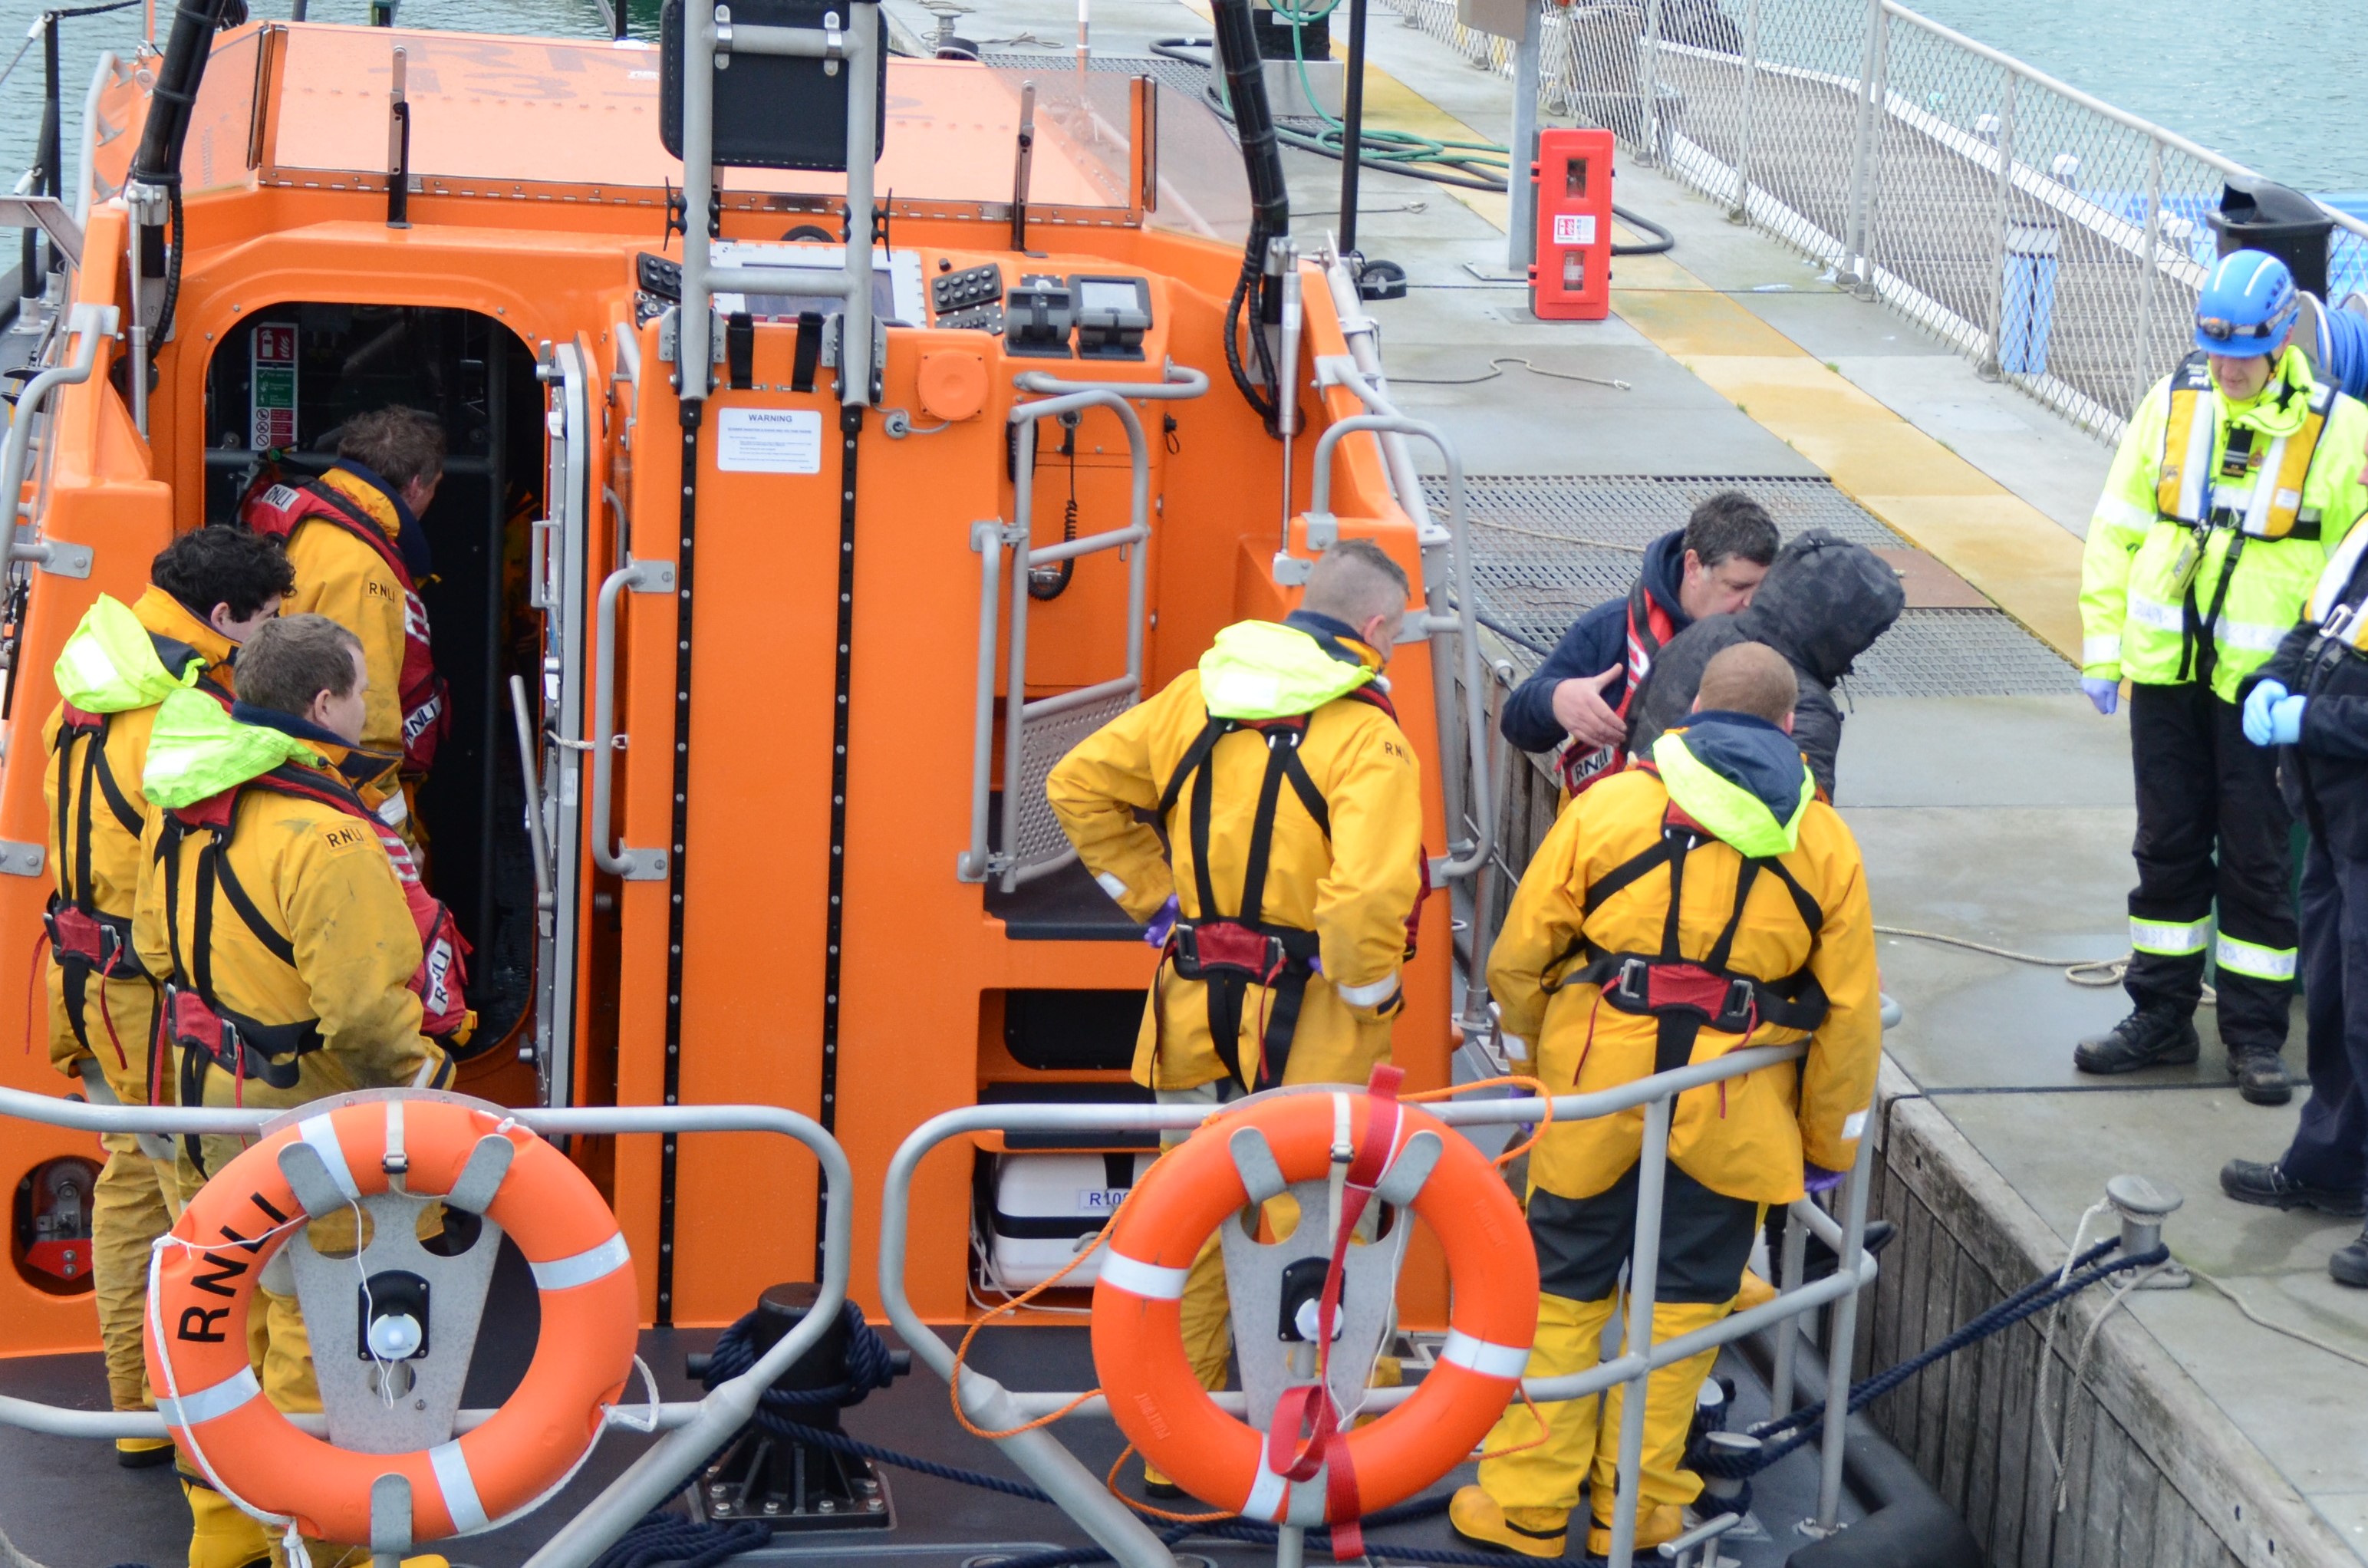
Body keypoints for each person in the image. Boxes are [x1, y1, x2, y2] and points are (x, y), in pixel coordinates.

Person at [1450, 643, 1880, 1560]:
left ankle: (1525, 1506)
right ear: (1784, 727)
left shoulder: (1612, 804)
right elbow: (1848, 1020)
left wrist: (1535, 1071)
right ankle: (1639, 1511)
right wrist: (1823, 1150)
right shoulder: (1824, 839)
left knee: (1560, 1294)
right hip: (1732, 1114)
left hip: (1600, 1090)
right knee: (1680, 1315)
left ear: (1691, 712)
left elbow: (1519, 958)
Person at [1046, 539, 1428, 1487]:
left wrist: (1160, 901)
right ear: (1379, 629)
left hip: (1192, 1004)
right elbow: (1370, 896)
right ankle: (1317, 1445)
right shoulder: (1369, 736)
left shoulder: (1195, 695)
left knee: (1197, 1217)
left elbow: (1076, 786)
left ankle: (1181, 1450)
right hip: (1315, 1022)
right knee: (1323, 1230)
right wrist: (1368, 985)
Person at [133, 614, 456, 1568]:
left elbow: (156, 949)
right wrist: (429, 1089)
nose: (373, 707)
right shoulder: (334, 839)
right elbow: (363, 1016)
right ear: (325, 705)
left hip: (205, 1109)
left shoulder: (188, 805)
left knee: (233, 1319)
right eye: (362, 691)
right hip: (311, 1128)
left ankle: (228, 1526)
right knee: (327, 1336)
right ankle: (333, 1545)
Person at [2075, 249, 2368, 1105]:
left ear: (2282, 340)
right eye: (2216, 351)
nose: (2229, 369)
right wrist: (2102, 649)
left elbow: (2355, 569)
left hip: (2263, 693)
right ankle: (2159, 1016)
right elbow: (2116, 528)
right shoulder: (2171, 404)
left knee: (2257, 859)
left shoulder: (2341, 432)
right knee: (2164, 846)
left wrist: (2319, 688)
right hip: (2166, 673)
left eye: (2243, 352)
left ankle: (2253, 1034)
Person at [40, 529, 292, 1468]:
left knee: (134, 1180)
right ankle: (206, 1436)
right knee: (207, 1198)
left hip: (85, 974)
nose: (272, 637)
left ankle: (141, 1404)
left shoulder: (95, 671)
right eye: (264, 622)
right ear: (225, 617)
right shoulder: (183, 712)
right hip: (149, 992)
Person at [2223, 497, 2368, 1285]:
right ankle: (2330, 1166)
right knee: (2341, 1009)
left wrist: (2308, 720)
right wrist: (2269, 683)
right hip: (2336, 819)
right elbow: (2314, 629)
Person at [241, 407, 453, 822]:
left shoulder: (311, 515)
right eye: (434, 487)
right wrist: (395, 832)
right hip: (343, 792)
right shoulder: (361, 568)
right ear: (415, 485)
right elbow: (364, 717)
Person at [1500, 492, 1778, 796]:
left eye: (1761, 588)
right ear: (1694, 566)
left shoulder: (1774, 646)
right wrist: (1553, 699)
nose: (1751, 603)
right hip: (1610, 829)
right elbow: (1517, 725)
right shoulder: (1609, 628)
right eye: (1737, 587)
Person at [1624, 529, 1905, 799]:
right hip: (1703, 844)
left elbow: (1633, 721)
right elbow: (1803, 820)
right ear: (1844, 632)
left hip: (1636, 818)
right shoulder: (1805, 704)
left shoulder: (1703, 631)